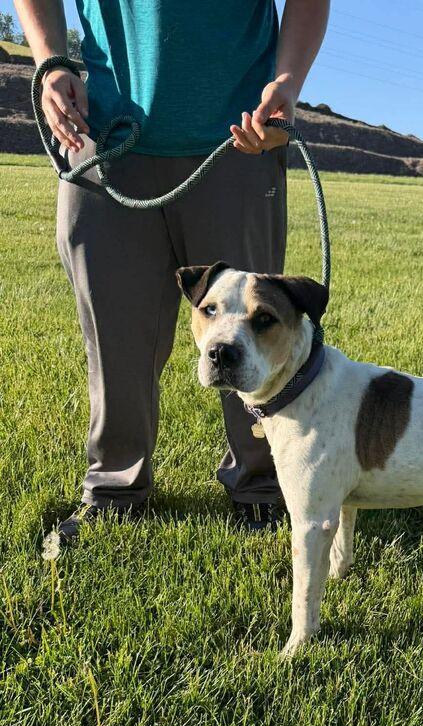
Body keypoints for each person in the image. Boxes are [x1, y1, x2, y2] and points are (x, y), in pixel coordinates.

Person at [15, 0, 330, 539]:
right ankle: (115, 488)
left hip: (239, 140)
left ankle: (262, 487)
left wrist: (286, 82)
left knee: (256, 330)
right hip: (102, 135)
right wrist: (49, 61)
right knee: (116, 337)